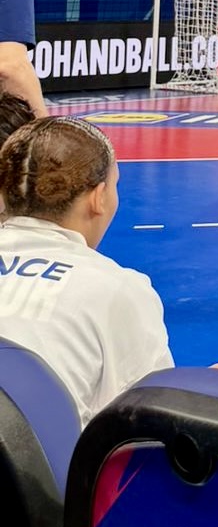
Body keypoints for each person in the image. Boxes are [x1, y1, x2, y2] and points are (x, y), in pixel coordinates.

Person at [0, 118, 172, 420]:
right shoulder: (117, 289)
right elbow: (148, 423)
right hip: (35, 466)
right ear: (98, 198)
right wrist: (191, 394)